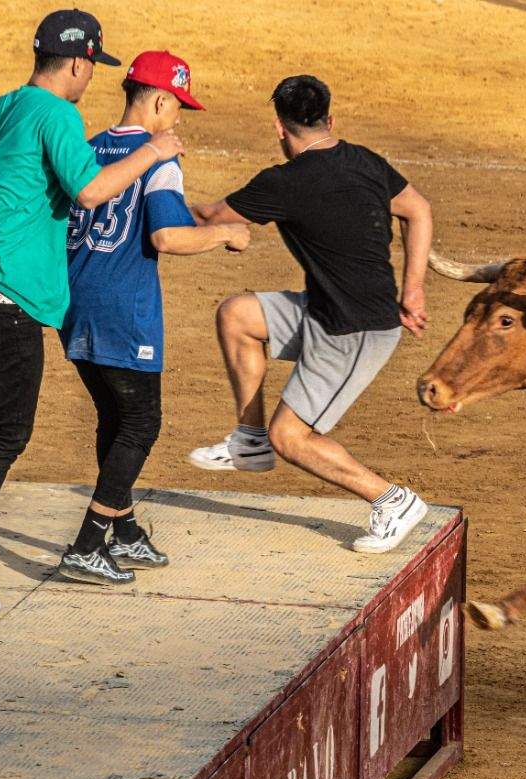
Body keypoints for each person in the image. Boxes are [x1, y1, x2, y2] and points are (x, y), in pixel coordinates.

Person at [0, 10, 182, 618]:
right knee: (6, 428)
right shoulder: (60, 114)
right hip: (3, 302)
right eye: (92, 68)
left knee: (3, 422)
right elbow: (89, 191)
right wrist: (155, 151)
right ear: (81, 63)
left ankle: (114, 527)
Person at [188, 74, 434, 555]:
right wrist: (415, 290)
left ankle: (393, 500)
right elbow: (418, 209)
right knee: (238, 314)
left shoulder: (285, 182)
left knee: (293, 436)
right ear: (329, 120)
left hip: (355, 330)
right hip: (326, 312)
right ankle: (248, 440)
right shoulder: (364, 160)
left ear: (280, 129)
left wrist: (146, 196)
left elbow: (209, 218)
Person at [57, 51, 249, 585]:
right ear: (160, 100)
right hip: (124, 310)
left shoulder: (91, 147)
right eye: (178, 106)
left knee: (115, 419)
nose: (179, 118)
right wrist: (225, 234)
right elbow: (168, 237)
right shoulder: (158, 158)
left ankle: (124, 530)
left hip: (74, 302)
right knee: (142, 422)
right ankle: (88, 542)